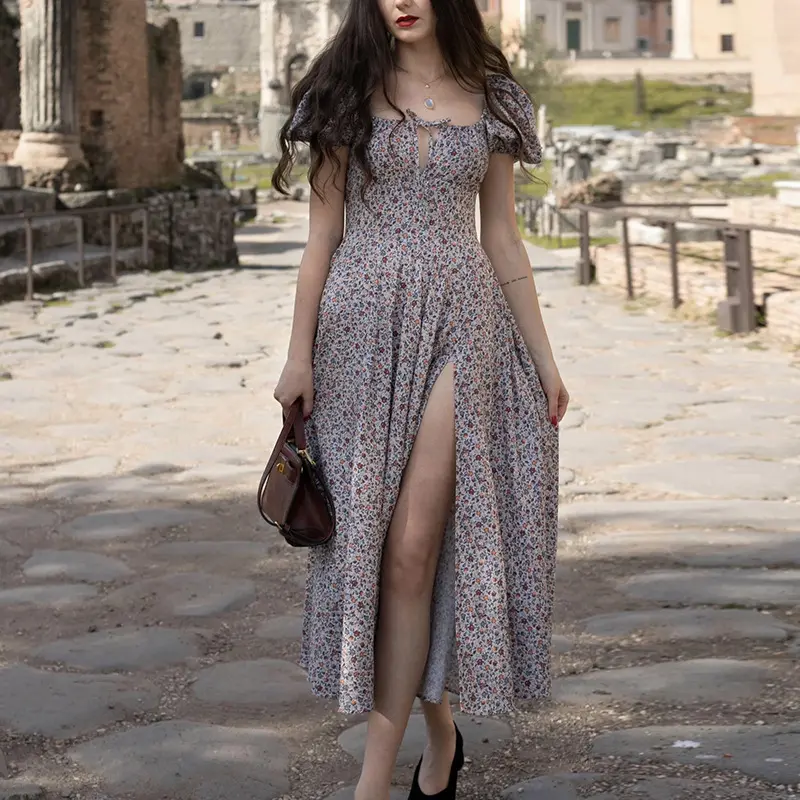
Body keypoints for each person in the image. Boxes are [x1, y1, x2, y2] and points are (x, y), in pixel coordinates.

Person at [271, 1, 569, 797]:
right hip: (359, 335)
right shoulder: (344, 88)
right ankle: (441, 734)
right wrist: (298, 355)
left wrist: (544, 359)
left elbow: (501, 234)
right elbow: (322, 235)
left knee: (413, 550)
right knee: (375, 550)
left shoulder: (494, 94)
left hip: (463, 327)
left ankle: (371, 784)